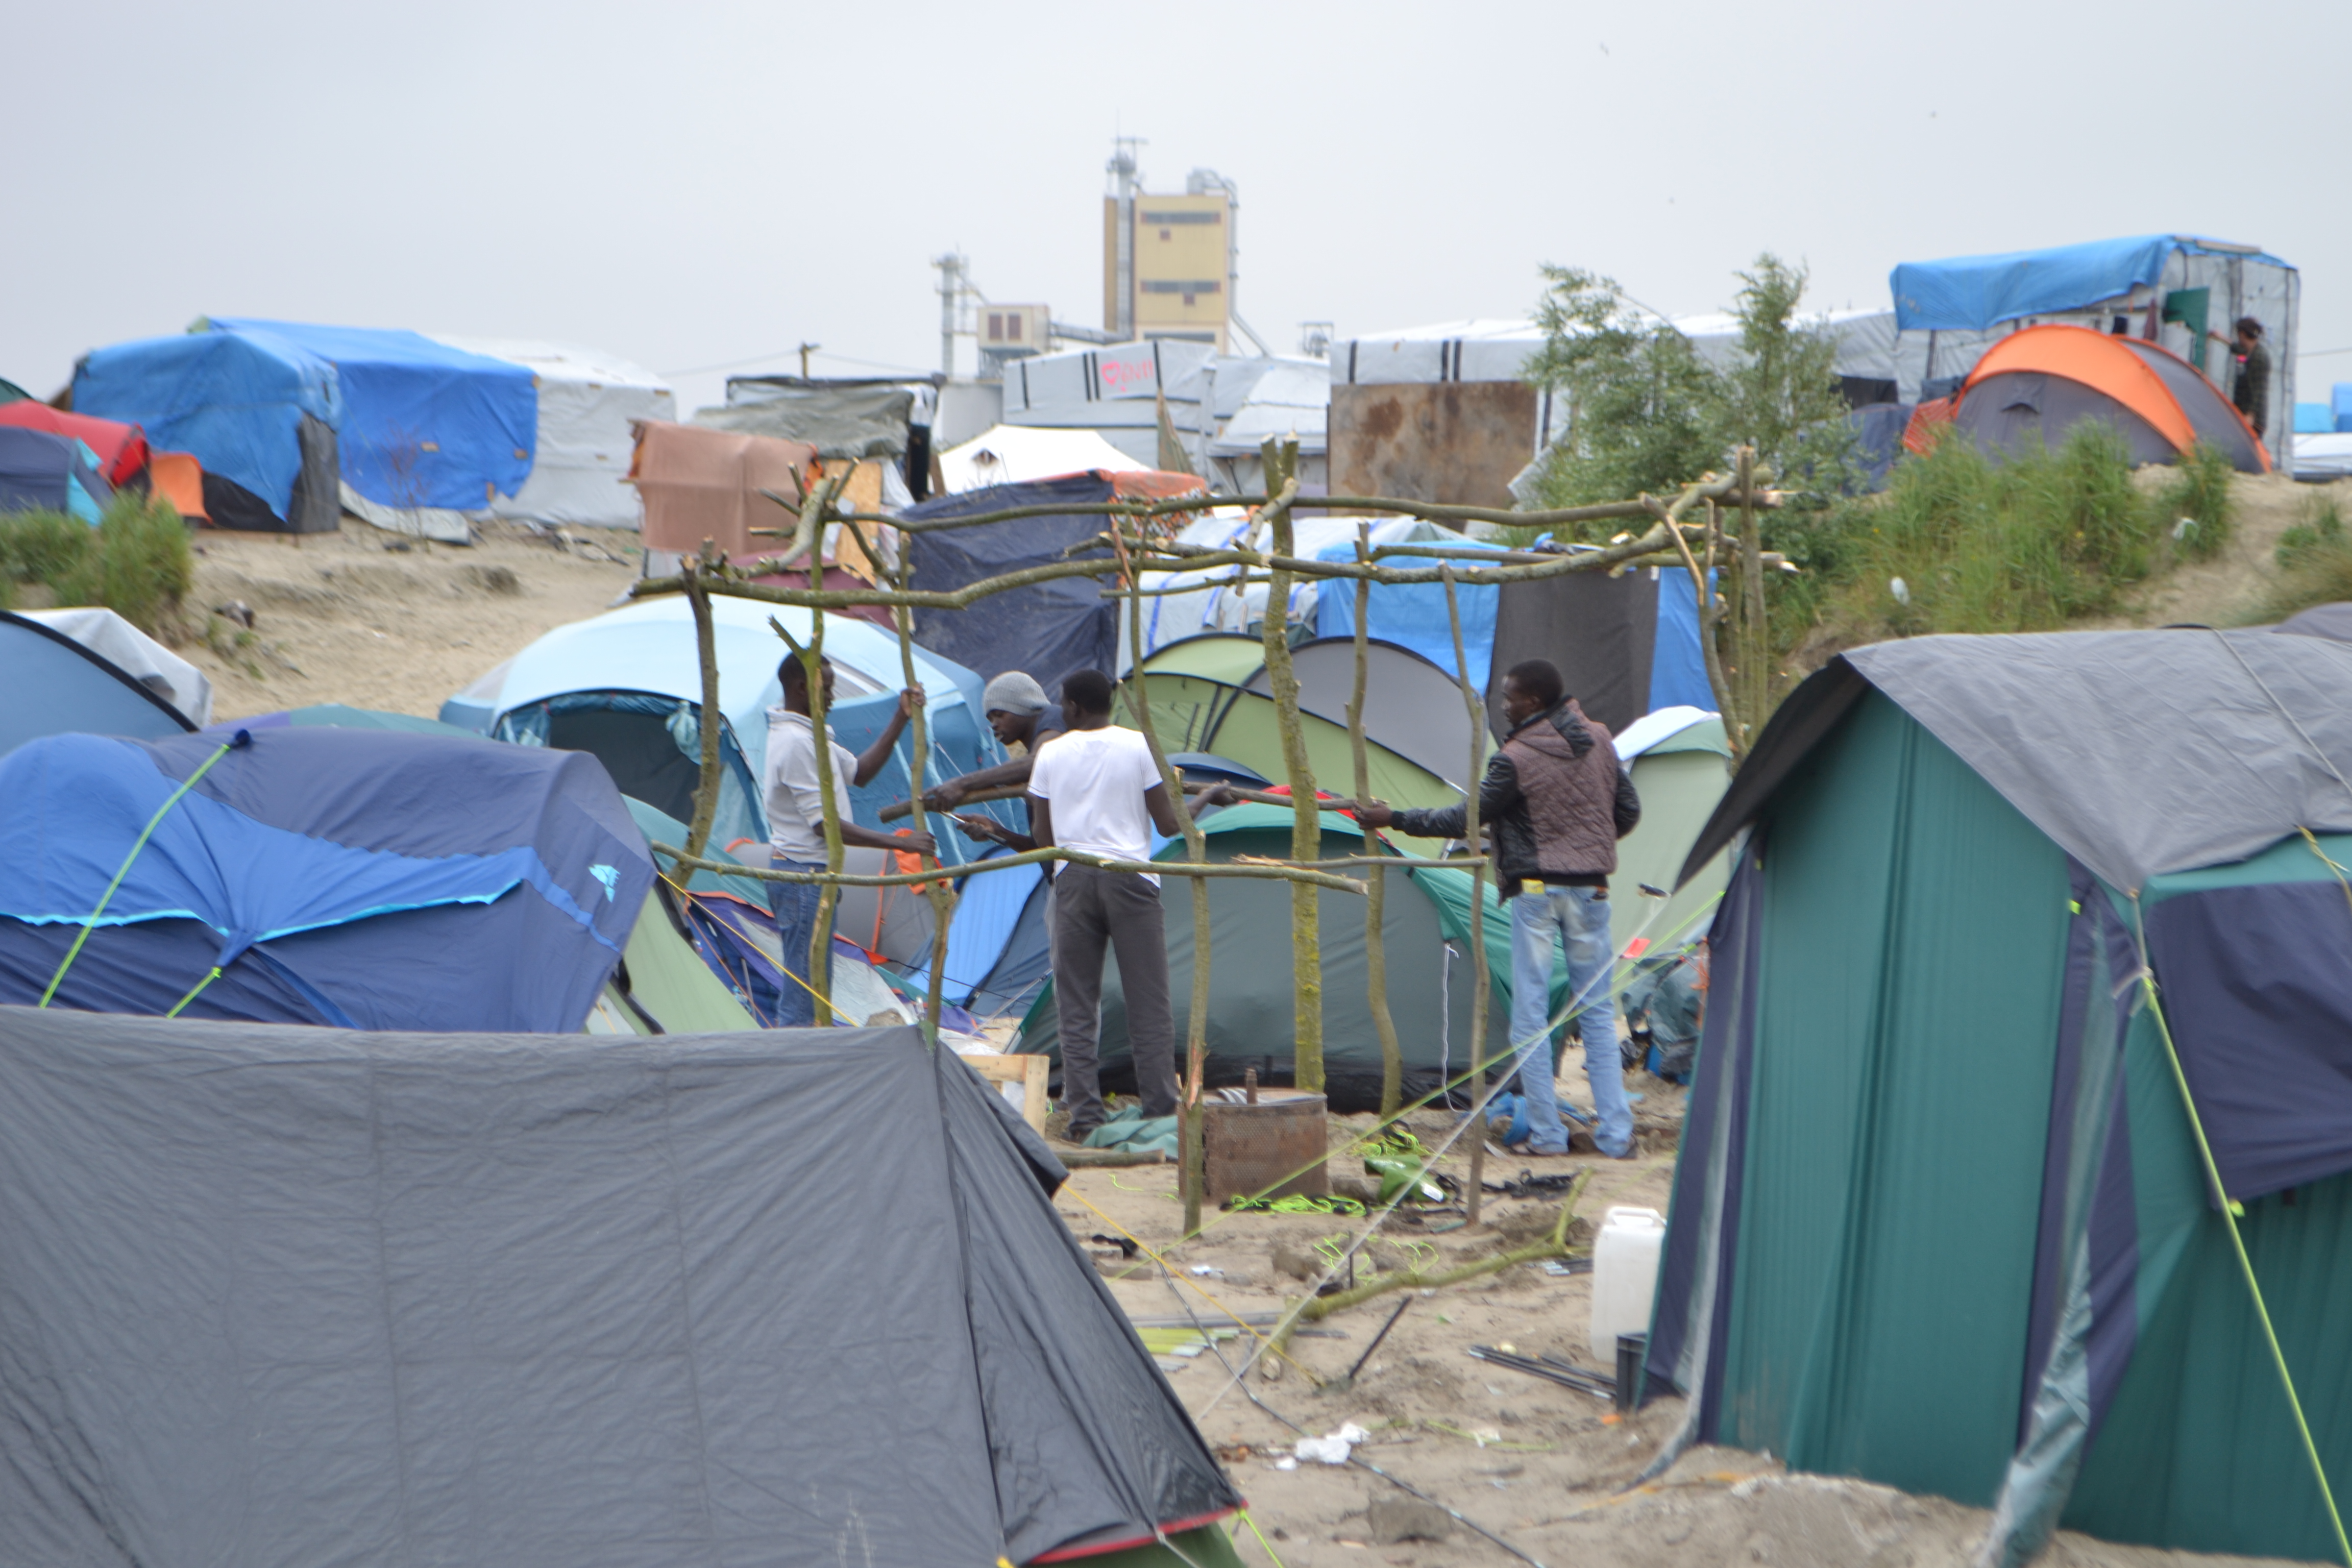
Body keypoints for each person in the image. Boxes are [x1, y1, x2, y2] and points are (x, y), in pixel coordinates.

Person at [1360, 659, 1640, 1158]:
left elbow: (1464, 818)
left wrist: (1395, 818)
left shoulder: (1516, 757)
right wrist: (1585, 845)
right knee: (1597, 1013)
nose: (1504, 706)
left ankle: (1548, 1136)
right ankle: (1617, 1137)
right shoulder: (1600, 739)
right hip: (1592, 891)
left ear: (1533, 701)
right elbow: (1628, 812)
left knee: (1531, 1017)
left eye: (1510, 697)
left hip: (1536, 893)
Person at [960, 669, 1182, 1142]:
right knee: (1149, 1004)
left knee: (1077, 1006)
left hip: (1073, 880)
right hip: (1131, 881)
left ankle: (1084, 1118)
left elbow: (1044, 838)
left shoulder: (1051, 754)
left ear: (1074, 708)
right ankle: (1161, 1111)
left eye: (1062, 704)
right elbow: (1168, 824)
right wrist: (1193, 799)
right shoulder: (1139, 745)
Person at [761, 656, 934, 1027]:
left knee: (813, 986)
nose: (832, 698)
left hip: (813, 876)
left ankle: (809, 1051)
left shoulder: (810, 737)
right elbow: (825, 827)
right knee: (804, 993)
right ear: (802, 688)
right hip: (803, 877)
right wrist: (902, 845)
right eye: (826, 689)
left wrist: (901, 717)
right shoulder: (796, 744)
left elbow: (861, 772)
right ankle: (798, 1056)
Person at [917, 671, 1066, 812]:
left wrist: (963, 784)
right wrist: (994, 828)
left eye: (999, 714)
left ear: (1025, 705)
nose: (994, 725)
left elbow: (1038, 763)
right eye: (991, 719)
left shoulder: (1054, 716)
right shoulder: (1036, 746)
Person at [2208, 316, 2271, 436]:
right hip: (2243, 413)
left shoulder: (2259, 357)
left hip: (2253, 420)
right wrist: (2220, 337)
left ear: (2242, 334)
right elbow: (2237, 348)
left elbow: (2258, 390)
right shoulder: (2250, 351)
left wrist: (2251, 415)